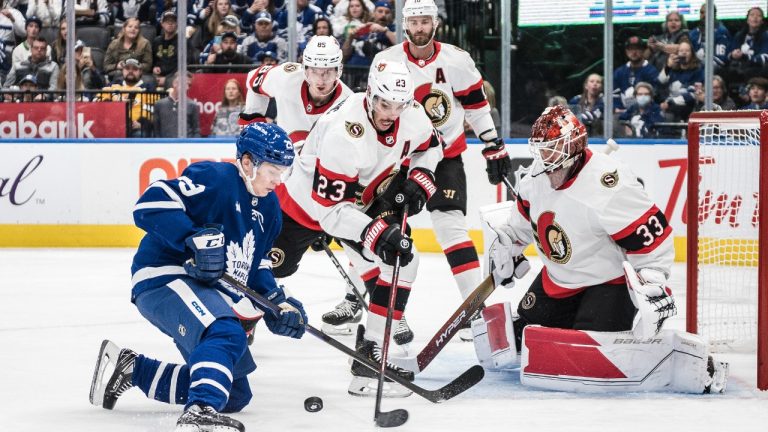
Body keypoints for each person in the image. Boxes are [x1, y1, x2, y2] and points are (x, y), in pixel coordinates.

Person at [472, 104, 728, 395]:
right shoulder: (535, 177)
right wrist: (508, 247)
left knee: (592, 350)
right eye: (542, 149)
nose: (544, 157)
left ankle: (686, 362)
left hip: (607, 281)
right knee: (522, 340)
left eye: (552, 149)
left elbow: (652, 240)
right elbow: (521, 224)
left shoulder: (609, 185)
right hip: (558, 279)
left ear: (573, 148)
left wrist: (653, 279)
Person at [88, 123, 305, 432]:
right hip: (165, 276)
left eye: (284, 171)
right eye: (272, 170)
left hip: (205, 288)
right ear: (247, 163)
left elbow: (257, 265)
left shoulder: (270, 209)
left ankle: (132, 369)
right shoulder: (217, 180)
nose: (278, 180)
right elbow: (150, 203)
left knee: (233, 393)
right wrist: (192, 238)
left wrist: (277, 304)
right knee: (224, 331)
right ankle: (199, 412)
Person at [269, 59, 443, 396]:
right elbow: (329, 213)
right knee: (267, 275)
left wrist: (422, 177)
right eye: (383, 103)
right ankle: (232, 330)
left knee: (404, 258)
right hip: (303, 207)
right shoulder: (343, 133)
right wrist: (375, 233)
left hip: (360, 199)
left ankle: (370, 355)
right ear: (370, 93)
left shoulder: (412, 113)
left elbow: (430, 147)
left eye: (398, 106)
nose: (390, 114)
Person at [370, 0, 512, 341]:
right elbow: (373, 108)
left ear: (436, 23)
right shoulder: (386, 61)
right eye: (414, 21)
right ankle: (379, 311)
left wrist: (492, 143)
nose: (420, 27)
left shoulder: (457, 61)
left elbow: (476, 106)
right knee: (382, 233)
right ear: (405, 24)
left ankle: (473, 308)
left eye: (425, 21)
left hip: (445, 157)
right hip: (398, 160)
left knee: (451, 226)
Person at [239, 35, 352, 142]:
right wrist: (253, 124)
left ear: (338, 71)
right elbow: (253, 80)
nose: (320, 81)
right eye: (314, 71)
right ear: (305, 69)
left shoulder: (349, 105)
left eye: (328, 72)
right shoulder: (285, 77)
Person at [658, 40, 703, 121]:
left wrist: (671, 102)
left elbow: (695, 94)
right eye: (681, 51)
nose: (684, 53)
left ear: (692, 54)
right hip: (670, 106)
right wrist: (668, 66)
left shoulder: (698, 71)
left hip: (688, 107)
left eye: (687, 51)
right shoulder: (673, 70)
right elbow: (661, 81)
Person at [613, 35, 659, 111]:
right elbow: (613, 94)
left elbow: (655, 95)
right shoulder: (619, 72)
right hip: (621, 112)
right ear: (626, 51)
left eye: (637, 49)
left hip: (645, 112)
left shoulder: (652, 71)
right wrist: (617, 108)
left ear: (643, 51)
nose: (634, 52)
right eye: (631, 49)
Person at [103, 17, 153, 82]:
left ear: (139, 31)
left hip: (138, 75)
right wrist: (117, 66)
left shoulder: (145, 44)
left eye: (136, 27)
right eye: (130, 26)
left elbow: (148, 66)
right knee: (118, 75)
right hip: (118, 74)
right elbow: (106, 66)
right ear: (124, 29)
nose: (133, 29)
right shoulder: (114, 44)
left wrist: (133, 66)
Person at [153, 72, 202, 138]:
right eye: (184, 83)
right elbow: (156, 130)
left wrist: (193, 146)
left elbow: (196, 130)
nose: (187, 87)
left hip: (186, 146)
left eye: (189, 85)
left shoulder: (192, 105)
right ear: (174, 83)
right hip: (165, 145)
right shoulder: (159, 104)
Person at [688, 4, 731, 73]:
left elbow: (719, 62)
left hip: (714, 73)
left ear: (714, 14)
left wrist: (699, 60)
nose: (704, 15)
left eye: (707, 12)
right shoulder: (693, 33)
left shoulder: (721, 32)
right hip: (694, 71)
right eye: (702, 12)